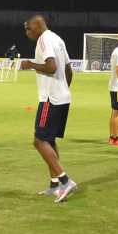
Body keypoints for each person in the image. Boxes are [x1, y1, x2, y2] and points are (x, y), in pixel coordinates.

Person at [20, 14, 77, 202]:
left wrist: (30, 65)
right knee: (49, 141)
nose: (27, 32)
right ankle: (55, 185)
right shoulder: (58, 39)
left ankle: (65, 181)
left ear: (38, 26)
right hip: (62, 98)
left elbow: (51, 67)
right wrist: (63, 89)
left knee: (39, 141)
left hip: (49, 100)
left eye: (28, 28)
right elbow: (68, 69)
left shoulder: (44, 40)